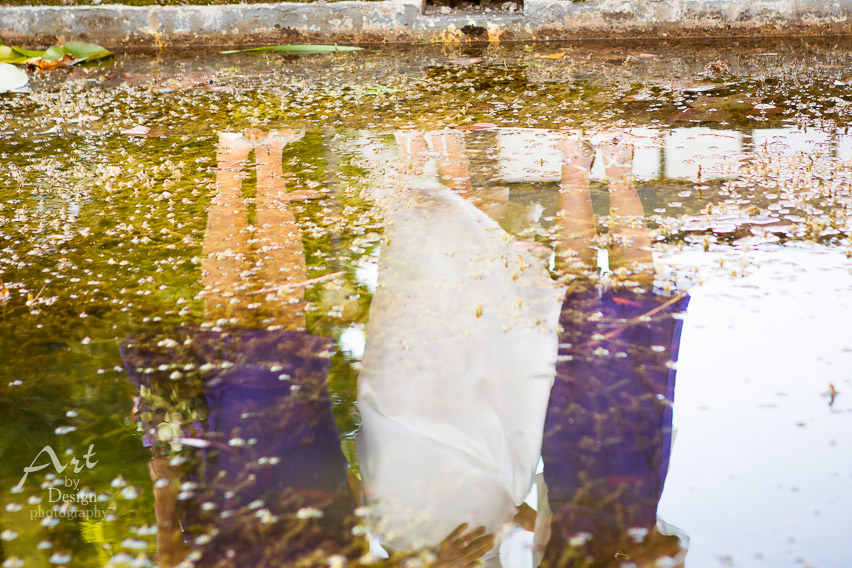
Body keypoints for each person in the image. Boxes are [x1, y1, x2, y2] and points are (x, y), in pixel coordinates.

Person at [123, 131, 358, 568]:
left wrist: (166, 494)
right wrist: (351, 488)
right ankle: (270, 161)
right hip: (313, 486)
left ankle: (232, 161)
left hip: (239, 495)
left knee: (231, 317)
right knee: (287, 313)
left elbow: (170, 558)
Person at [354, 129, 565, 564]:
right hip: (488, 480)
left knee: (410, 323)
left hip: (406, 478)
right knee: (486, 329)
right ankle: (452, 157)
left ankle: (415, 159)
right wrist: (528, 519)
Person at [535, 134, 689, 568]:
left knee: (572, 294)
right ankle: (619, 172)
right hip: (633, 472)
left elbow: (542, 536)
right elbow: (672, 550)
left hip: (569, 462)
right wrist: (636, 557)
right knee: (637, 302)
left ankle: (574, 163)